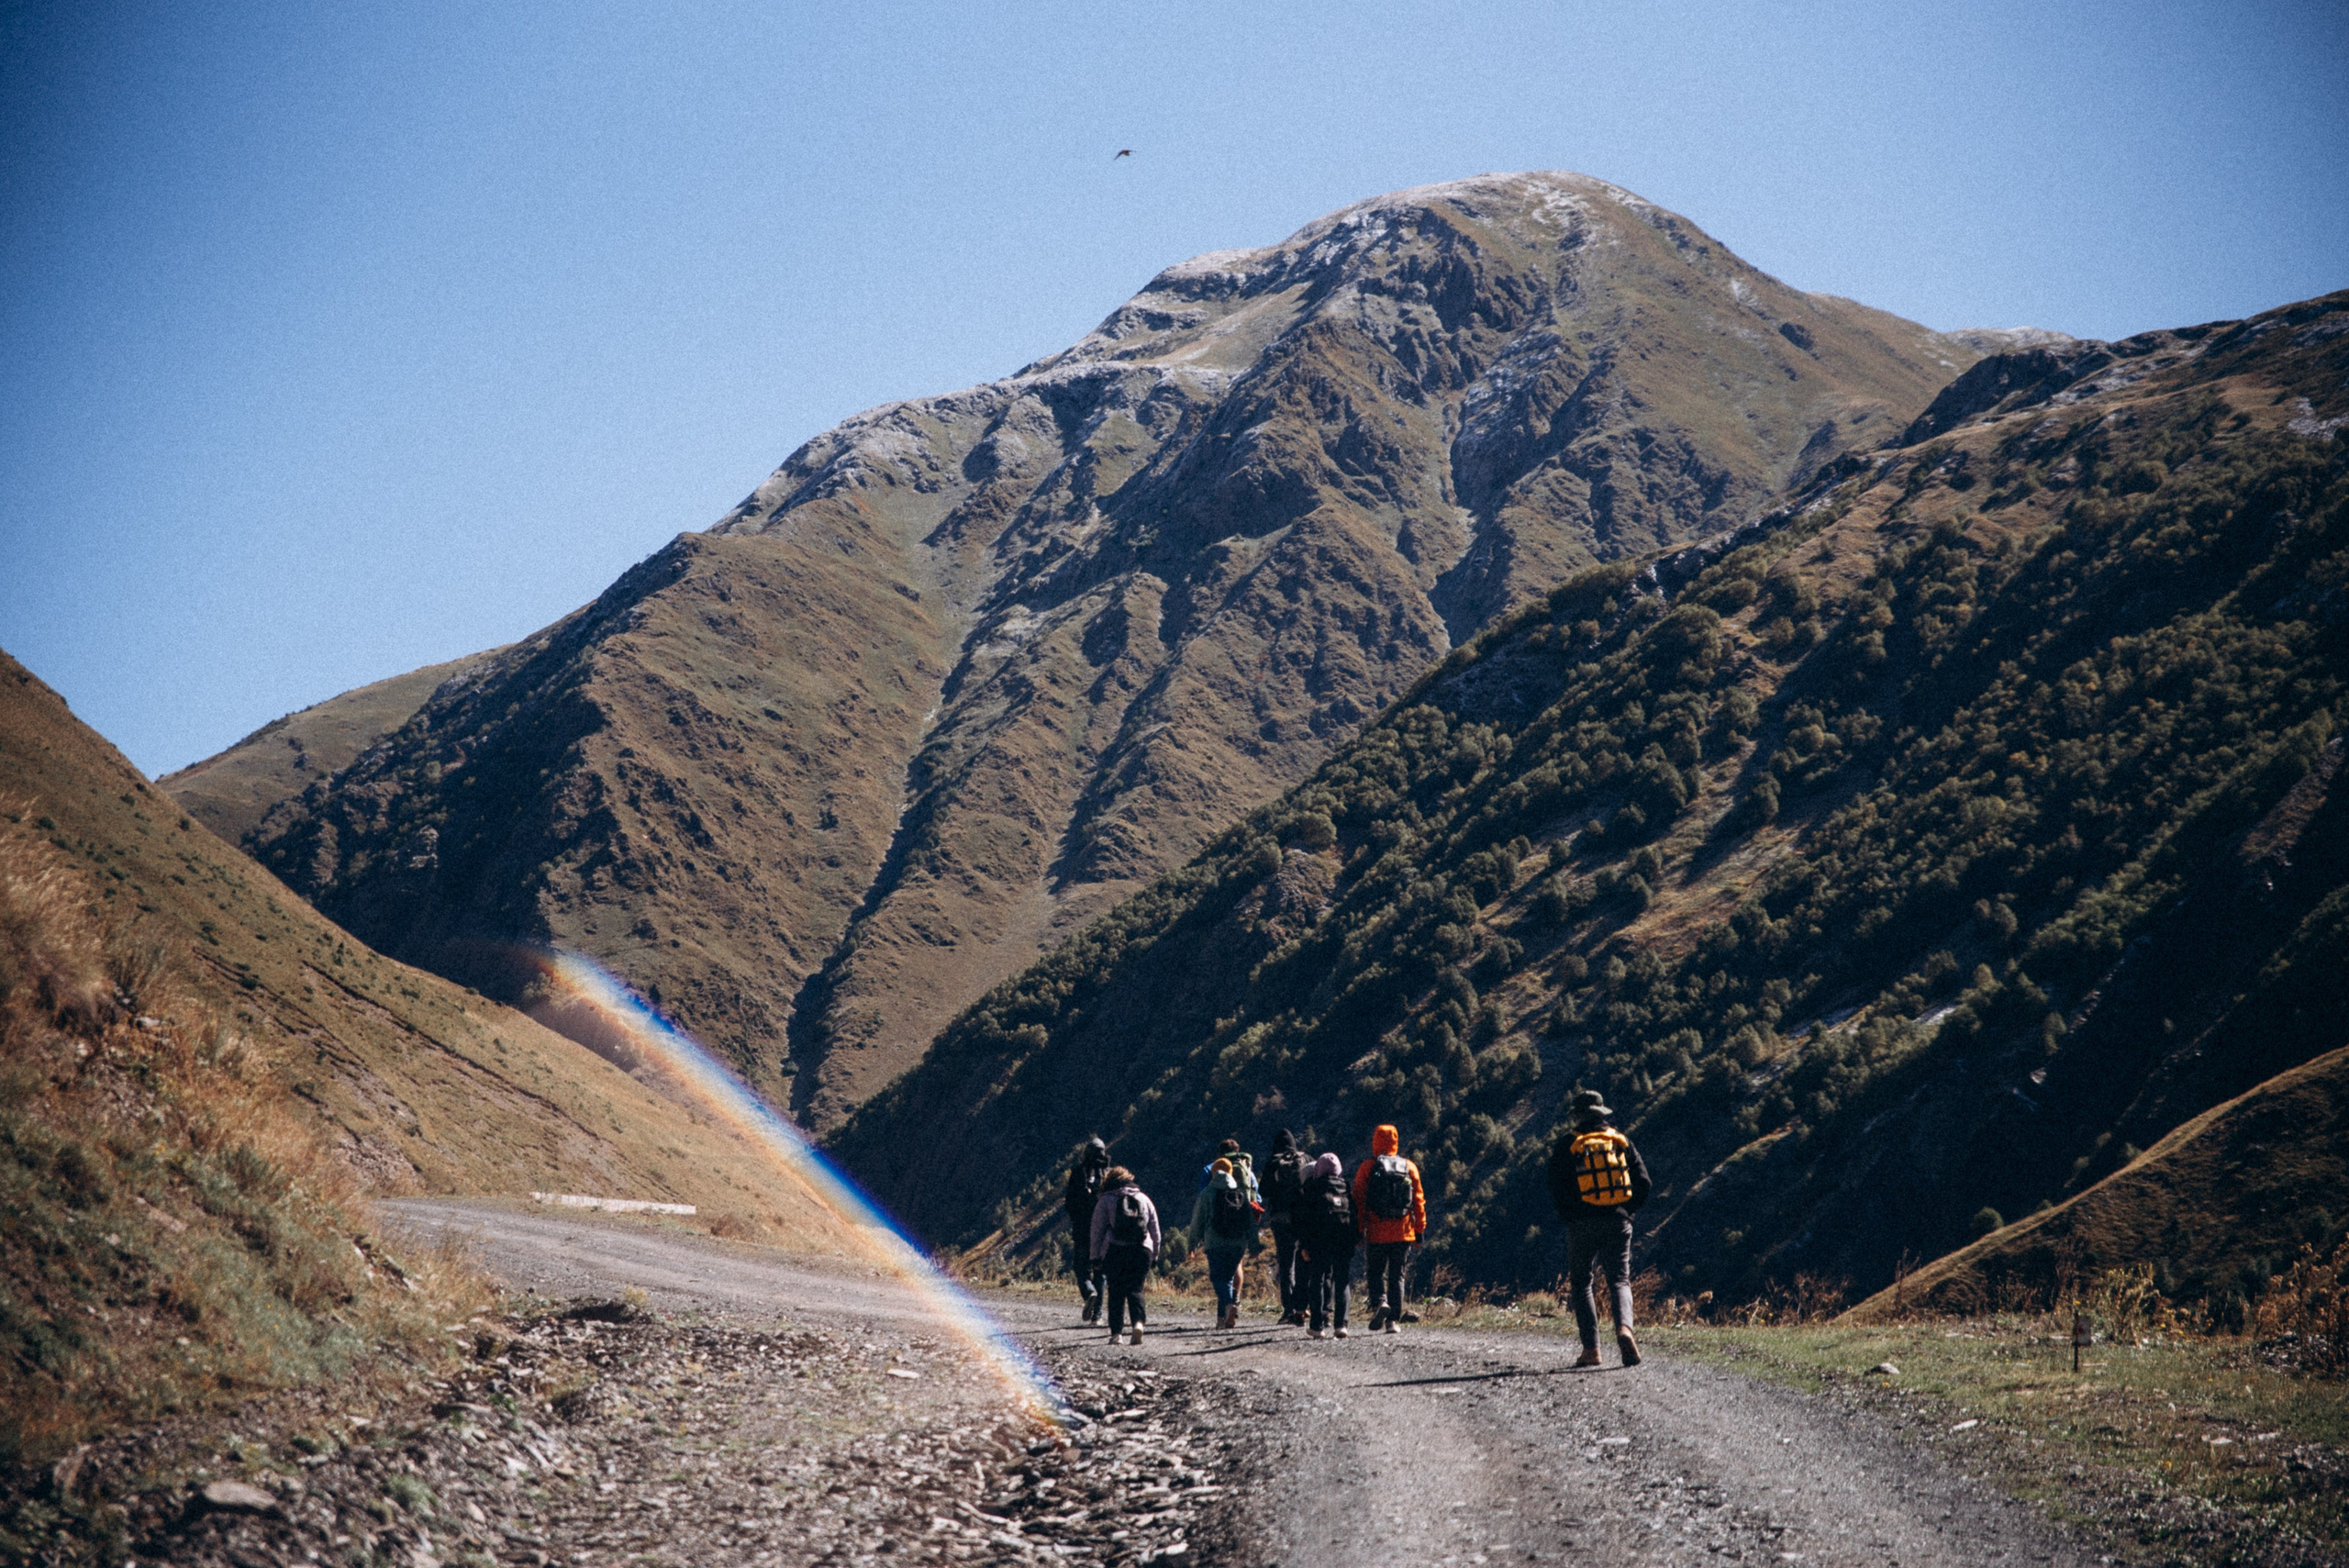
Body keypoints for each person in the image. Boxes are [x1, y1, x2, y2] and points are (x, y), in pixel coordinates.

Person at [1546, 1088, 1653, 1368]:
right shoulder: (1620, 1140)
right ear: (1602, 1113)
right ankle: (1625, 1330)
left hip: (1581, 1223)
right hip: (1618, 1221)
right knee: (1619, 1279)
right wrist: (1627, 1212)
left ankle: (1592, 1350)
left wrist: (1570, 1216)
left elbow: (1556, 1187)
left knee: (1582, 1283)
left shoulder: (1568, 1144)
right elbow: (1644, 1182)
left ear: (1579, 1116)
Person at [1352, 1123, 1427, 1334]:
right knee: (1397, 1276)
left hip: (1376, 1232)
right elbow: (1418, 1202)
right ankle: (1393, 1321)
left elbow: (1359, 1201)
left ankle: (1380, 1302)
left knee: (1375, 1272)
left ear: (1375, 1141)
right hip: (1403, 1232)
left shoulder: (1367, 1167)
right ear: (1396, 1141)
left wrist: (1358, 1231)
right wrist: (1419, 1231)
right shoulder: (1409, 1167)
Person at [1089, 1164, 1161, 1345]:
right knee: (1136, 1289)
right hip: (1142, 1250)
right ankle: (1138, 1324)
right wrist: (1155, 1255)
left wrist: (1095, 1257)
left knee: (1116, 1292)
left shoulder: (1106, 1200)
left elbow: (1096, 1232)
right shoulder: (1144, 1198)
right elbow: (1155, 1230)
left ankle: (1116, 1334)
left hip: (1116, 1251)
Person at [1186, 1156, 1262, 1329]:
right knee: (1228, 1278)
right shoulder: (1240, 1194)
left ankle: (1229, 1304)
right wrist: (1254, 1246)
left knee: (1218, 1278)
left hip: (1216, 1243)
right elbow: (1249, 1222)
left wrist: (1192, 1244)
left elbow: (1198, 1221)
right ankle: (1223, 1320)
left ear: (1213, 1173)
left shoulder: (1208, 1193)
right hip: (1238, 1244)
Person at [1293, 1151, 1359, 1340]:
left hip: (1319, 1242)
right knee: (1342, 1281)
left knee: (1318, 1280)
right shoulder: (1346, 1186)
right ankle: (1341, 1325)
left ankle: (1317, 1326)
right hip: (1343, 1242)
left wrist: (1304, 1245)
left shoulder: (1314, 1187)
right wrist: (1355, 1239)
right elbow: (1354, 1216)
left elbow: (1306, 1220)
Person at [1260, 1129, 1309, 1325]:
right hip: (1302, 1218)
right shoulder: (1305, 1158)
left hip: (1281, 1219)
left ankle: (1288, 1309)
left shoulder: (1273, 1163)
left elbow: (1264, 1191)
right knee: (1305, 1262)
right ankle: (1303, 1307)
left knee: (1286, 1264)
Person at [1064, 1137, 1112, 1322]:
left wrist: (1077, 1218)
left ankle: (1089, 1291)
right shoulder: (1108, 1174)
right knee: (1101, 1271)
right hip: (1103, 1232)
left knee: (1081, 1268)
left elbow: (1069, 1203)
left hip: (1082, 1230)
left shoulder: (1078, 1173)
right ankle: (1098, 1315)